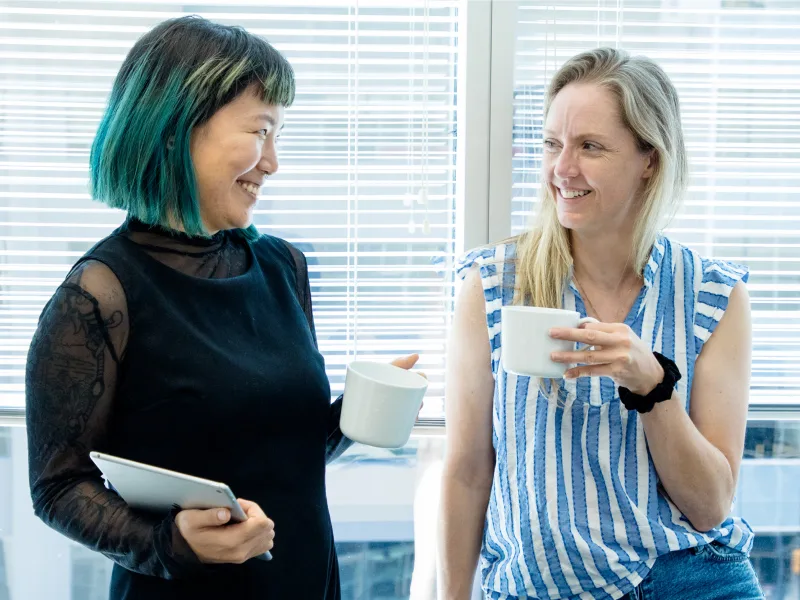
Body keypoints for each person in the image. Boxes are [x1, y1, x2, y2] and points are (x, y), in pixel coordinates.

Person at [24, 16, 420, 600]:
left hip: (305, 581)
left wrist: (354, 416)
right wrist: (170, 543)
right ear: (176, 128)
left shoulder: (285, 266)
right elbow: (57, 488)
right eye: (261, 131)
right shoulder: (100, 294)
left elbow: (282, 446)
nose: (273, 162)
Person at [439, 47, 764, 600]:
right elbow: (468, 471)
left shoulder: (713, 295)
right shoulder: (492, 284)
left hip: (690, 580)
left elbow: (710, 506)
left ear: (650, 160)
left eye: (590, 147)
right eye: (552, 145)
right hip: (536, 587)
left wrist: (652, 385)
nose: (562, 169)